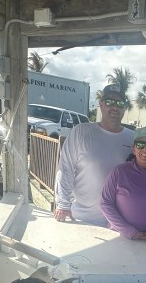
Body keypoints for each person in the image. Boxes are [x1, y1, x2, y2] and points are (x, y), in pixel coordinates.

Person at [54, 83, 134, 226]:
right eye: (109, 102)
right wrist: (63, 204)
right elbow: (65, 169)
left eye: (119, 103)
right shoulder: (80, 132)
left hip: (119, 224)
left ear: (124, 108)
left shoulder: (134, 139)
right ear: (101, 105)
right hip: (82, 218)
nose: (114, 107)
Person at [100, 127, 146, 243]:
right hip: (119, 237)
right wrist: (128, 231)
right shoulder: (119, 172)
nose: (145, 149)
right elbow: (105, 203)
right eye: (140, 145)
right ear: (134, 149)